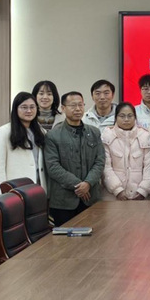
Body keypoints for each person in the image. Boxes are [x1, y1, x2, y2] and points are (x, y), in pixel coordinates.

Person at [44, 91, 105, 226]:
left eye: (80, 105)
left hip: (90, 198)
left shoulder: (94, 132)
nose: (77, 109)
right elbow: (53, 167)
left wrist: (88, 183)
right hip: (63, 202)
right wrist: (78, 185)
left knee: (95, 235)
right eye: (73, 105)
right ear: (63, 108)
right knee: (64, 238)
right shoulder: (53, 135)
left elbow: (100, 161)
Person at [0, 92, 47, 196]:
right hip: (15, 190)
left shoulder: (41, 132)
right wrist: (0, 196)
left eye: (32, 107)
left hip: (39, 189)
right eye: (24, 107)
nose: (29, 111)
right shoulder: (4, 132)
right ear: (16, 109)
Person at [101, 102, 150, 200]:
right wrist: (117, 190)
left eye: (130, 116)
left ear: (135, 117)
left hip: (140, 196)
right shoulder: (107, 136)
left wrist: (143, 190)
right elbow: (106, 167)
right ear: (116, 117)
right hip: (112, 196)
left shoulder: (145, 136)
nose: (126, 119)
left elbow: (149, 167)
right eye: (122, 116)